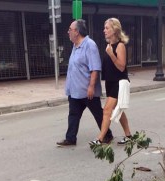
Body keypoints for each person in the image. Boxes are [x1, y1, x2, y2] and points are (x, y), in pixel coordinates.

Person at [56, 19, 112, 147]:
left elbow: (95, 68)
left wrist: (91, 87)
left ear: (77, 32)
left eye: (70, 29)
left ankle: (107, 135)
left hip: (87, 91)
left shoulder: (89, 45)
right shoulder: (75, 46)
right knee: (73, 115)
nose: (68, 32)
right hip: (75, 90)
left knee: (98, 114)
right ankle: (70, 138)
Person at [90, 17, 132, 147]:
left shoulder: (120, 46)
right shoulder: (109, 46)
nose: (104, 30)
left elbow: (121, 66)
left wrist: (111, 54)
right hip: (110, 82)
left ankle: (100, 138)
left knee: (107, 110)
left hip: (119, 82)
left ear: (114, 30)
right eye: (104, 28)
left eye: (107, 28)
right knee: (117, 109)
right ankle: (128, 135)